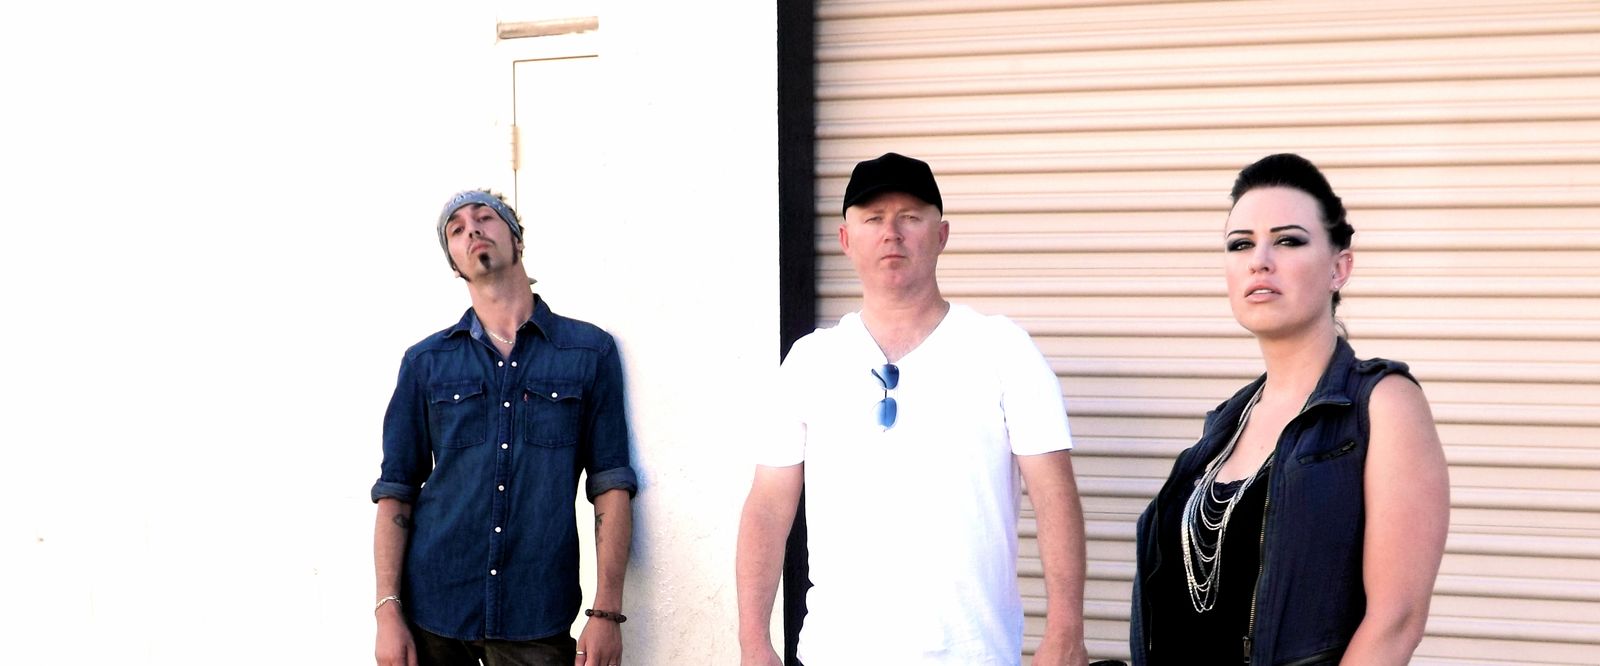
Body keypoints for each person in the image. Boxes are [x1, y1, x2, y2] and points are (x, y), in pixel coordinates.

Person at [736, 153, 1090, 666]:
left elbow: (1054, 493)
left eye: (910, 217)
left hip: (973, 653)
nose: (891, 233)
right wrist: (753, 642)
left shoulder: (1002, 349)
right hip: (835, 652)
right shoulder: (810, 361)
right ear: (845, 239)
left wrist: (1066, 630)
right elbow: (768, 506)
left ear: (941, 235)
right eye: (873, 219)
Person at [1130, 154, 1450, 665]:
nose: (1259, 260)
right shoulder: (1225, 426)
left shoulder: (1382, 404)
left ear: (1339, 267)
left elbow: (1396, 621)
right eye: (1241, 244)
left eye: (1288, 241)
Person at [372, 190, 637, 666]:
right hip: (433, 609)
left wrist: (607, 612)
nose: (472, 229)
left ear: (517, 240)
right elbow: (397, 490)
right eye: (456, 229)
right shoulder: (425, 362)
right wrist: (387, 610)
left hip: (536, 610)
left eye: (484, 217)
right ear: (455, 264)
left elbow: (611, 483)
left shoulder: (589, 352)